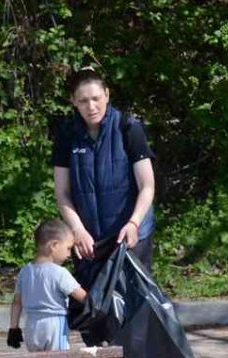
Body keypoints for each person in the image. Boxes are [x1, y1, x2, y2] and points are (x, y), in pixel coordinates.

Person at [52, 67, 158, 276]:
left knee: (132, 297)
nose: (91, 107)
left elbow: (147, 186)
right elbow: (62, 193)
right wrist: (78, 230)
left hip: (130, 234)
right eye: (83, 101)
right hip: (89, 242)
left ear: (107, 95)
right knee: (91, 297)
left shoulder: (129, 128)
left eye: (96, 98)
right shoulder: (66, 135)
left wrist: (134, 223)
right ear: (73, 101)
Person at [8, 219, 88, 352]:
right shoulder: (60, 272)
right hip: (54, 324)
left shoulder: (25, 271)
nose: (69, 254)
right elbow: (83, 297)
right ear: (54, 245)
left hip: (32, 325)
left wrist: (13, 328)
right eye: (68, 248)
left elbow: (16, 302)